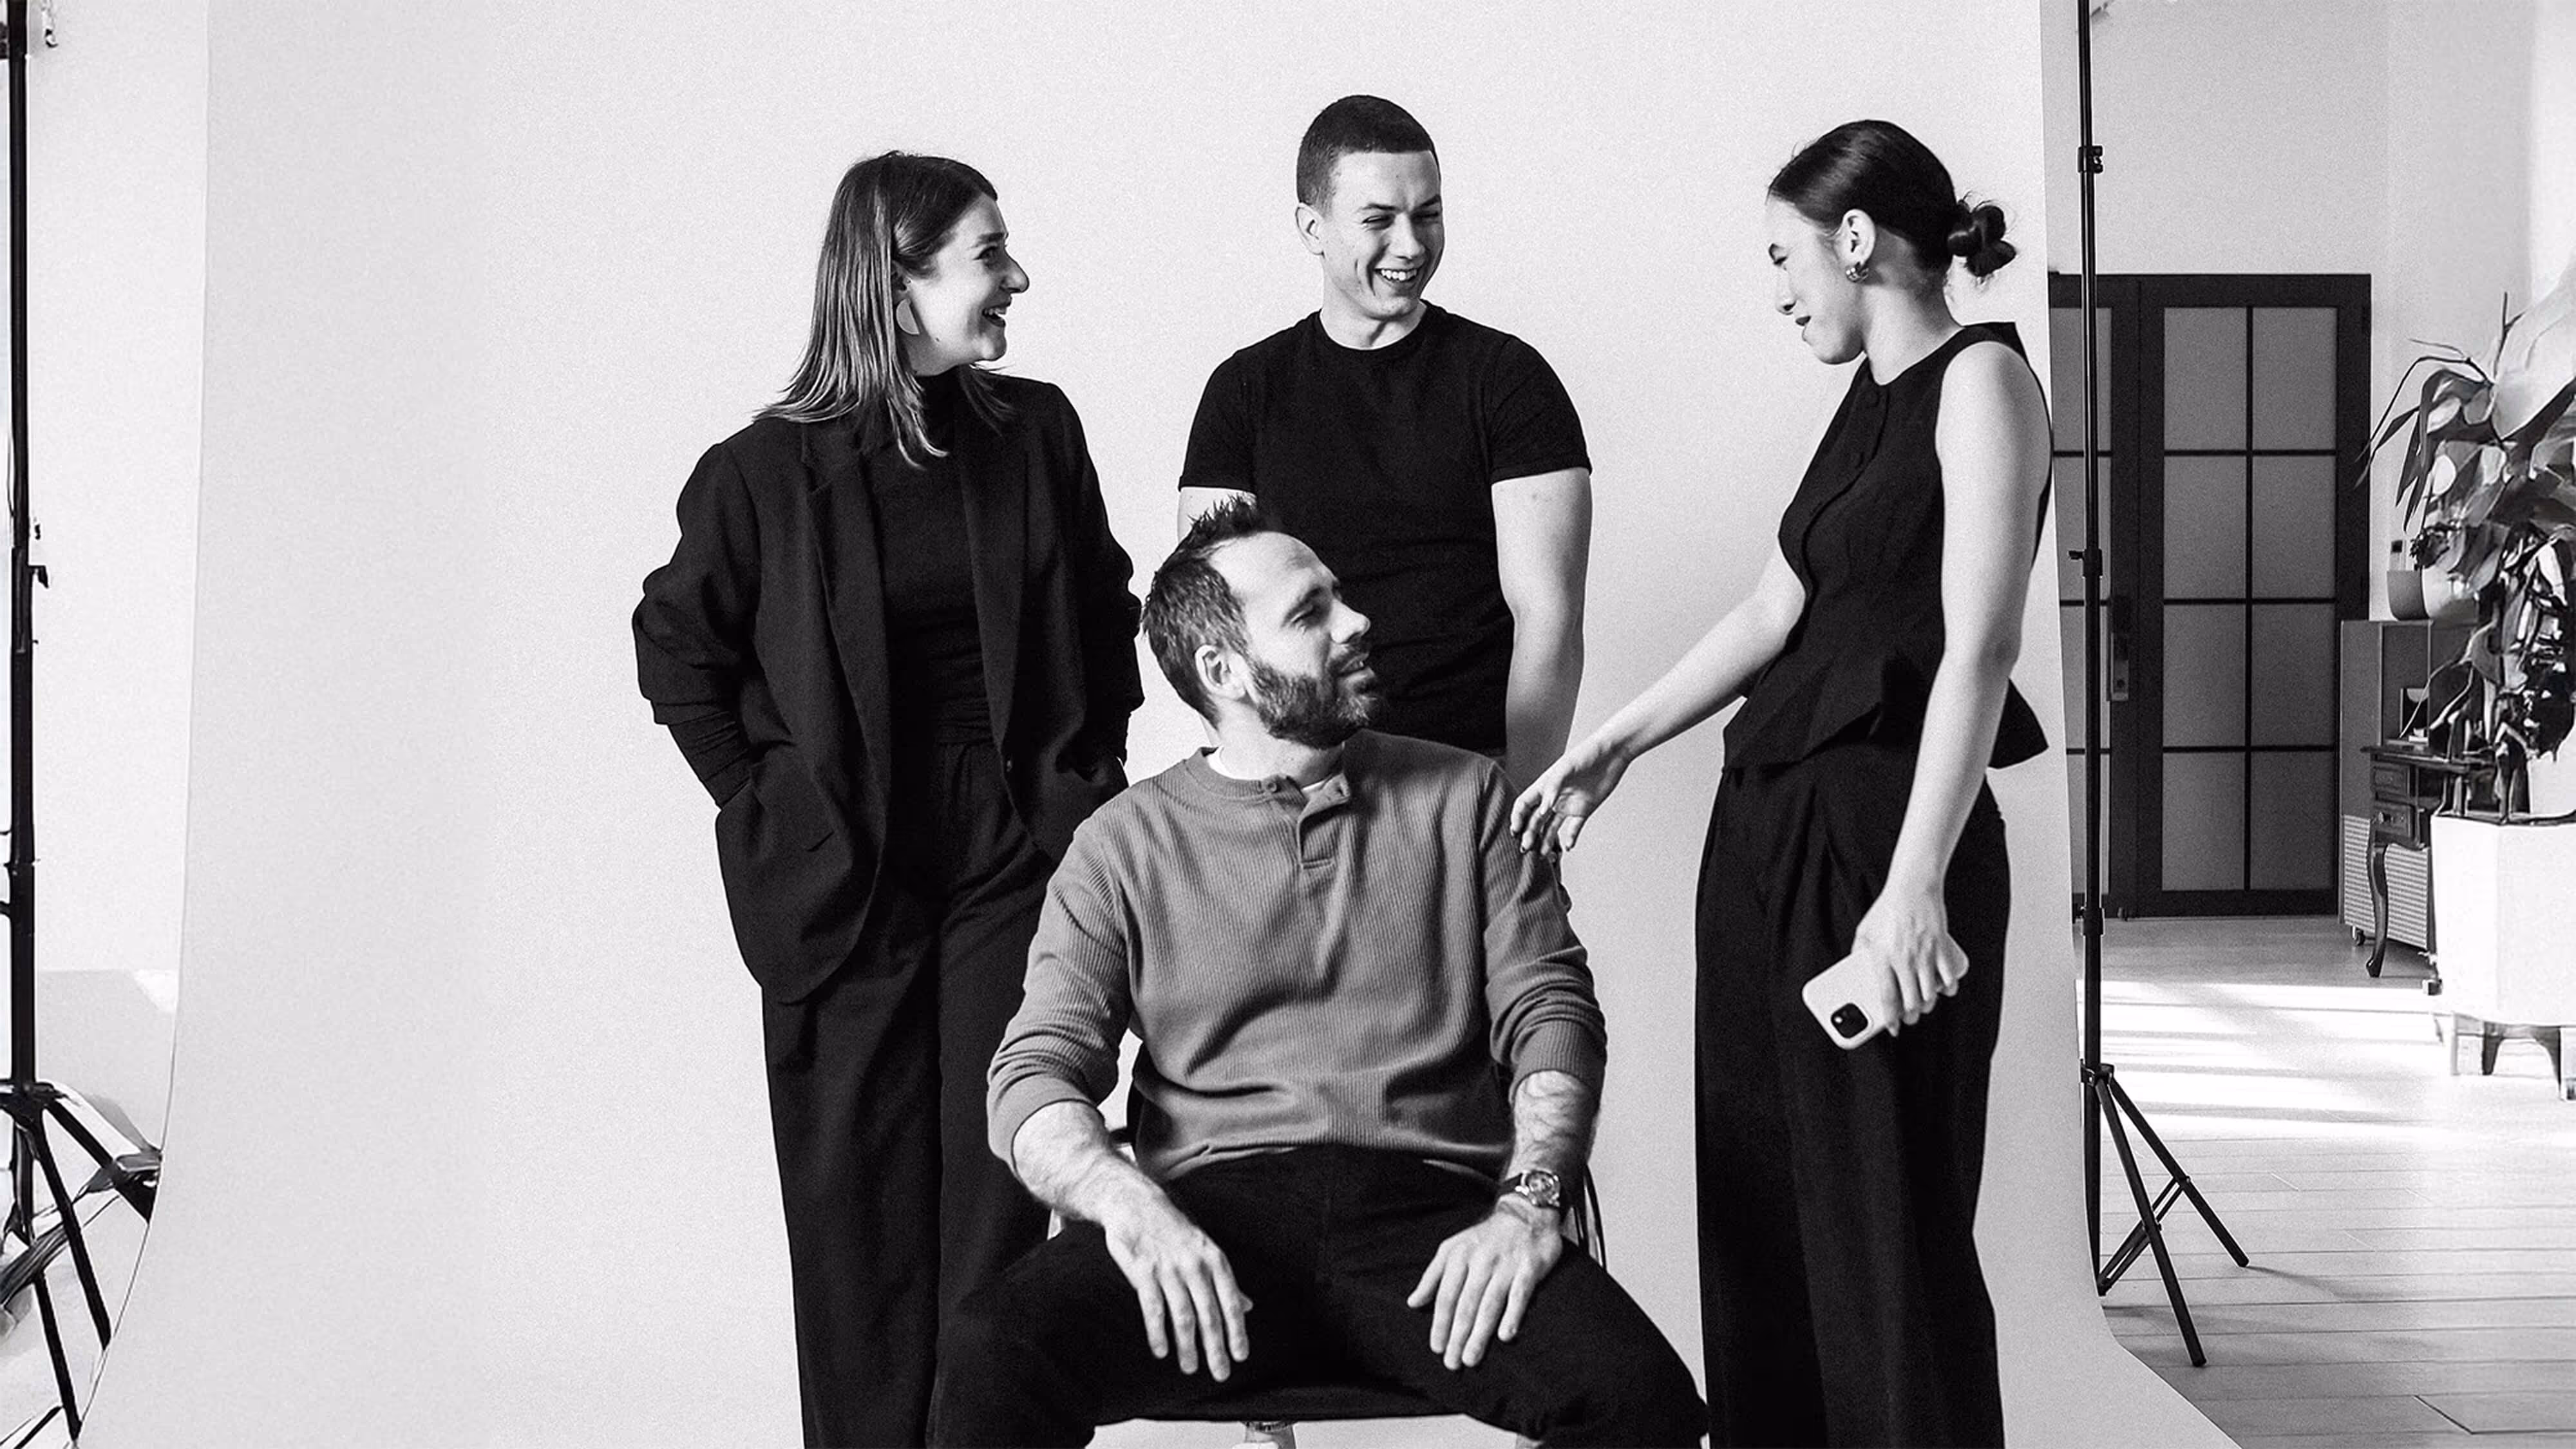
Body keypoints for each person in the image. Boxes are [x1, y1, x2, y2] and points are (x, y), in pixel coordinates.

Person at [929, 501, 1702, 1448]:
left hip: (1427, 1219)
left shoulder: (1469, 797)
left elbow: (1549, 1012)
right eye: (1311, 613)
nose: (1357, 622)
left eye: (1340, 597)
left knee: (1638, 1399)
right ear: (1224, 672)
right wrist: (1128, 1207)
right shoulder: (1122, 844)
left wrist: (1531, 1202)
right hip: (1212, 1225)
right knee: (989, 1353)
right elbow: (1034, 1075)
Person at [1513, 119, 2053, 1447]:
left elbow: (1978, 648)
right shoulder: (1867, 393)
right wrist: (1615, 743)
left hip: (1876, 837)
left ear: (1855, 240)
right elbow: (1776, 605)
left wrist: (1911, 890)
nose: (1777, 290)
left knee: (1879, 1220)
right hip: (1767, 826)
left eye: (1783, 258)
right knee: (1761, 1209)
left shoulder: (1980, 380)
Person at [632, 151, 1144, 1448]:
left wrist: (1087, 794)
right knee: (855, 1248)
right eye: (987, 253)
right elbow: (675, 649)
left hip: (1009, 875)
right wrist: (767, 800)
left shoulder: (1037, 435)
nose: (1015, 276)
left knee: (993, 1231)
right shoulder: (758, 475)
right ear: (898, 287)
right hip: (840, 892)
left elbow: (1103, 609)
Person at [1177, 95, 1591, 789]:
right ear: (1312, 227)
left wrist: (1521, 803)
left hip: (1469, 773)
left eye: (1427, 215)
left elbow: (1547, 617)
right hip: (1303, 778)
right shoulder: (1243, 391)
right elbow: (1211, 624)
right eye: (1378, 220)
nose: (1410, 245)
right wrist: (1265, 784)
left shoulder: (1507, 380)